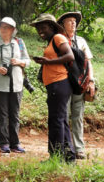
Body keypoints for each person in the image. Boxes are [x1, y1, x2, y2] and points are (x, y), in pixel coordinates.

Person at [30, 13, 76, 163]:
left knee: (56, 121)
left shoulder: (58, 38)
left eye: (42, 27)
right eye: (38, 28)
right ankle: (68, 157)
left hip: (59, 83)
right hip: (56, 85)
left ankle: (56, 157)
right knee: (61, 120)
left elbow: (70, 56)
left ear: (51, 26)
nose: (40, 31)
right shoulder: (52, 41)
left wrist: (47, 62)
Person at [0, 17, 31, 153]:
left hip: (16, 84)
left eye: (6, 27)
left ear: (12, 30)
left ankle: (15, 143)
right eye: (1, 27)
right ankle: (4, 143)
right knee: (2, 114)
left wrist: (19, 62)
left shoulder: (19, 43)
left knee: (15, 114)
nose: (3, 30)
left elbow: (27, 60)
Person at [57, 12, 95, 159]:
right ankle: (66, 147)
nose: (73, 23)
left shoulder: (81, 41)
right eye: (69, 21)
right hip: (64, 83)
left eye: (74, 21)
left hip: (80, 84)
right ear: (63, 25)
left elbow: (88, 62)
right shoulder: (59, 41)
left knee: (78, 117)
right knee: (64, 116)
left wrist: (91, 81)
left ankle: (79, 148)